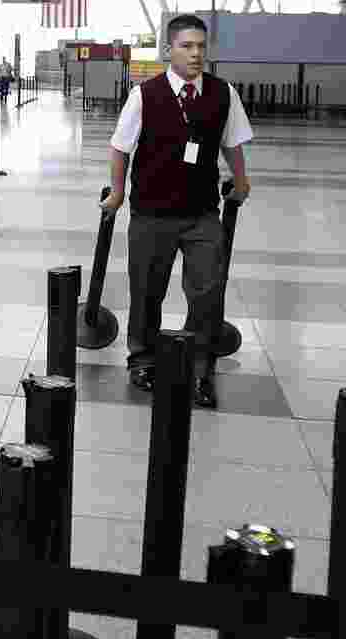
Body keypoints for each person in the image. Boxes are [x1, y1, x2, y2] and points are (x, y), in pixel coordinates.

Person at [100, 14, 253, 409]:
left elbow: (232, 142)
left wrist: (241, 179)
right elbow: (120, 147)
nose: (196, 54)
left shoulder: (223, 93)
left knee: (207, 293)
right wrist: (117, 193)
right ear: (169, 50)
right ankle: (143, 359)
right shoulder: (145, 95)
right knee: (147, 291)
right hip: (151, 214)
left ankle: (201, 367)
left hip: (203, 213)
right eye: (187, 46)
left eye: (201, 46)